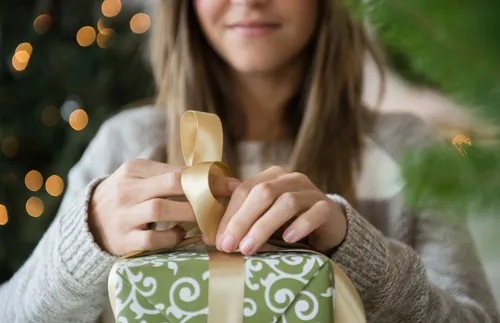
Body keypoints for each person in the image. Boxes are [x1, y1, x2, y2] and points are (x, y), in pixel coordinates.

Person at [1, 0, 498, 322]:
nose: (249, 1)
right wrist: (86, 239)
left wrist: (355, 250)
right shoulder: (126, 146)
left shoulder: (406, 148)